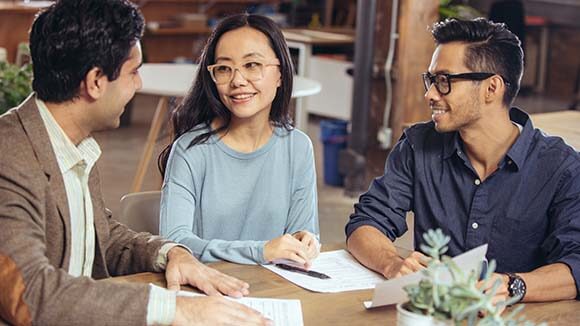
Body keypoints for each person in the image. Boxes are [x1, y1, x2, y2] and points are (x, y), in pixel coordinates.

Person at [0, 1, 270, 325]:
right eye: (134, 71)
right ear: (96, 81)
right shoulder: (9, 157)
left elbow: (102, 238)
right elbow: (30, 295)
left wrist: (170, 253)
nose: (139, 84)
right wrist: (176, 308)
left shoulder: (72, 142)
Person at [346, 18, 579, 304]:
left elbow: (576, 264)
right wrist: (391, 263)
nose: (429, 94)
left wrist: (513, 286)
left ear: (491, 88)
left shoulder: (561, 168)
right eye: (431, 80)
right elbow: (365, 224)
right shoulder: (418, 146)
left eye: (444, 81)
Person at [158, 14, 320, 267]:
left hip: (275, 290)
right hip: (206, 290)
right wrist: (261, 251)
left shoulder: (298, 147)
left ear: (280, 73)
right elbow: (175, 242)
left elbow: (302, 231)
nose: (237, 81)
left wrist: (306, 241)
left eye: (252, 65)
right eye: (224, 68)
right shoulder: (190, 151)